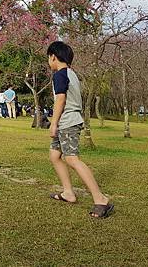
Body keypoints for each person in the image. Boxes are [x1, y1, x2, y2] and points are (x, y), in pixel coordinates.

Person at [47, 41, 114, 219]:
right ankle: (68, 192)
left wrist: (53, 123)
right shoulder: (72, 74)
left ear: (53, 56)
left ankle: (101, 199)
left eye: (49, 58)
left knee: (71, 159)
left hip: (67, 121)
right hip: (67, 121)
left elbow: (60, 99)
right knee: (55, 156)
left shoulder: (60, 75)